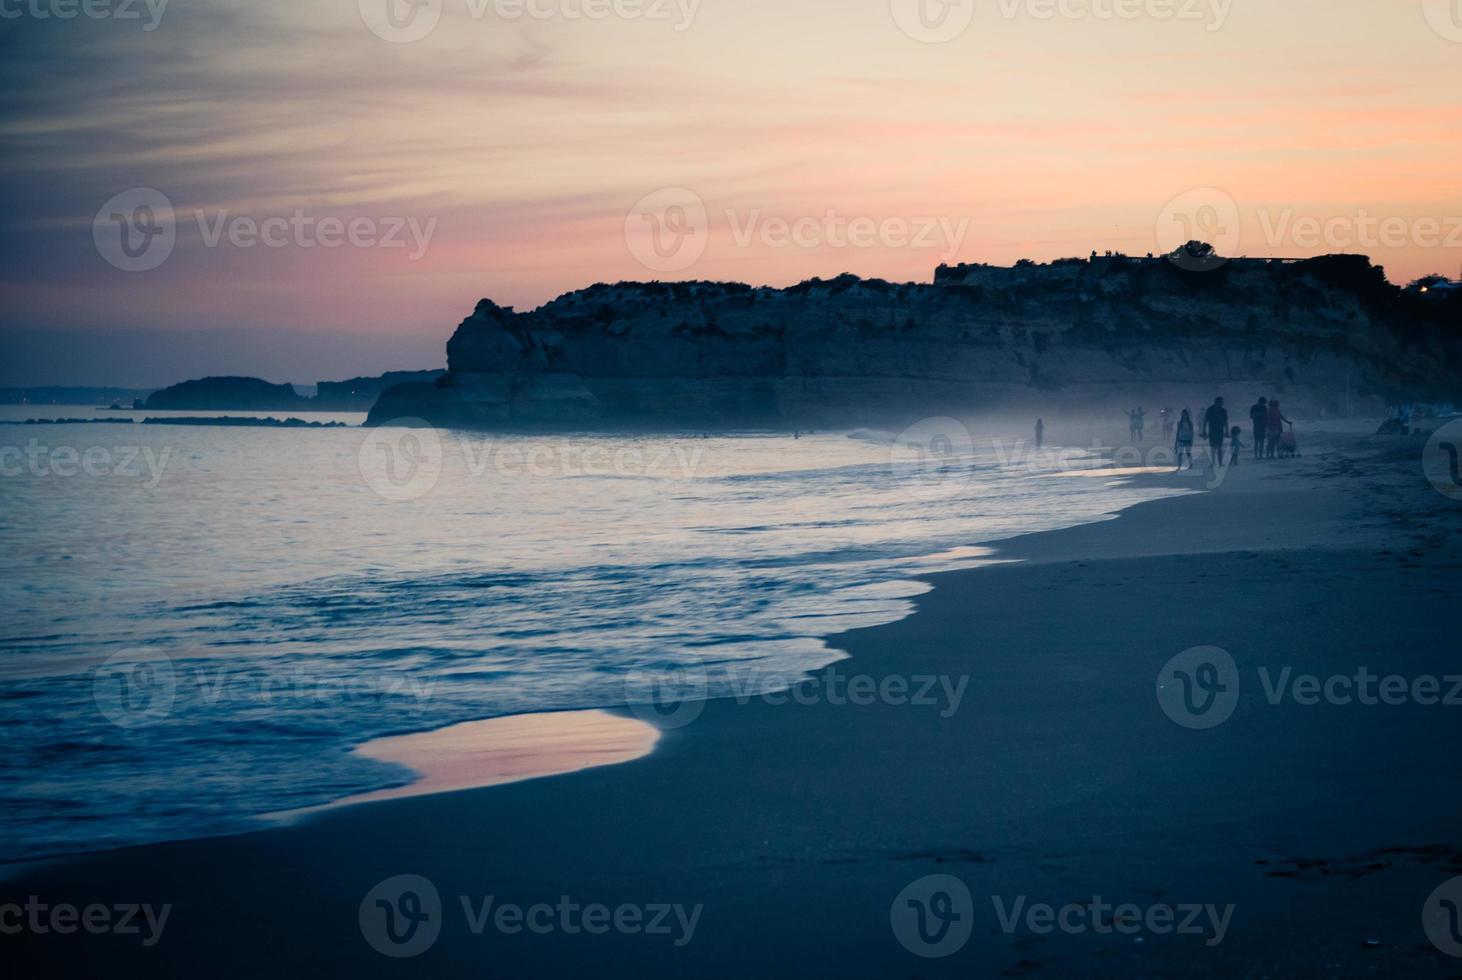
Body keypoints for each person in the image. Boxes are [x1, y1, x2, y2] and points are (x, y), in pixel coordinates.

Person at [1203, 397, 1228, 467]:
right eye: (1221, 402)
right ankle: (1213, 462)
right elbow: (1206, 420)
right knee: (1213, 447)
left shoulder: (1223, 410)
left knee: (1219, 447)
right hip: (1212, 430)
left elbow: (1225, 421)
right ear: (1217, 402)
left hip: (1220, 430)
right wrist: (1204, 430)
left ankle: (1220, 462)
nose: (1222, 404)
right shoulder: (1210, 409)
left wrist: (1227, 431)